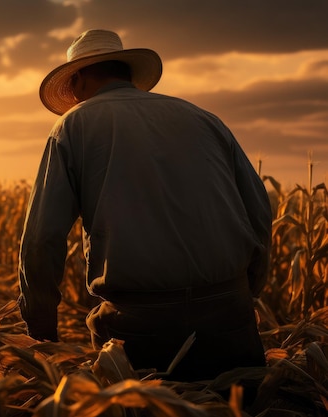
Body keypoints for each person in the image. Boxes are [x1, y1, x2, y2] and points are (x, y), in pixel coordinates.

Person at [17, 29, 272, 381]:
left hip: (138, 325)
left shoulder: (73, 126)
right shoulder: (204, 118)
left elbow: (42, 239)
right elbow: (258, 210)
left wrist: (41, 328)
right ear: (127, 72)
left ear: (77, 80)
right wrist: (245, 293)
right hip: (230, 315)